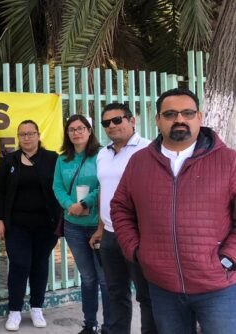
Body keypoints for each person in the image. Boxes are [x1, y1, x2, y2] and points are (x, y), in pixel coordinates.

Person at [111, 88, 236, 334]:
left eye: (187, 113)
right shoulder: (139, 162)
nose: (179, 119)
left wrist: (228, 258)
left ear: (199, 117)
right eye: (170, 114)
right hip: (162, 286)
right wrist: (137, 251)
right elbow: (121, 208)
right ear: (157, 120)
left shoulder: (229, 161)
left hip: (218, 286)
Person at [89, 103, 156, 334]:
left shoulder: (149, 150)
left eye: (117, 120)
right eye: (106, 123)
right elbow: (103, 191)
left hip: (138, 234)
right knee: (115, 292)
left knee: (146, 295)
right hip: (108, 234)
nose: (111, 126)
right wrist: (100, 227)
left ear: (132, 120)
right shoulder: (102, 154)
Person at [0, 120, 61, 331]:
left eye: (31, 133)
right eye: (22, 134)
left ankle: (37, 307)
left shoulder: (52, 159)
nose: (27, 138)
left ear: (39, 135)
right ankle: (14, 311)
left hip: (46, 225)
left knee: (40, 265)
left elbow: (60, 186)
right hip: (17, 226)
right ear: (18, 137)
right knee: (20, 265)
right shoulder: (8, 161)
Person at [53, 114, 109, 334]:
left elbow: (106, 183)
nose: (76, 132)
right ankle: (90, 324)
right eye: (72, 129)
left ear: (89, 130)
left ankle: (110, 325)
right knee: (87, 278)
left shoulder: (103, 155)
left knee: (104, 279)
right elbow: (57, 187)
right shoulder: (62, 159)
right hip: (74, 225)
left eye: (81, 128)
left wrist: (86, 202)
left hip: (99, 225)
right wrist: (71, 205)